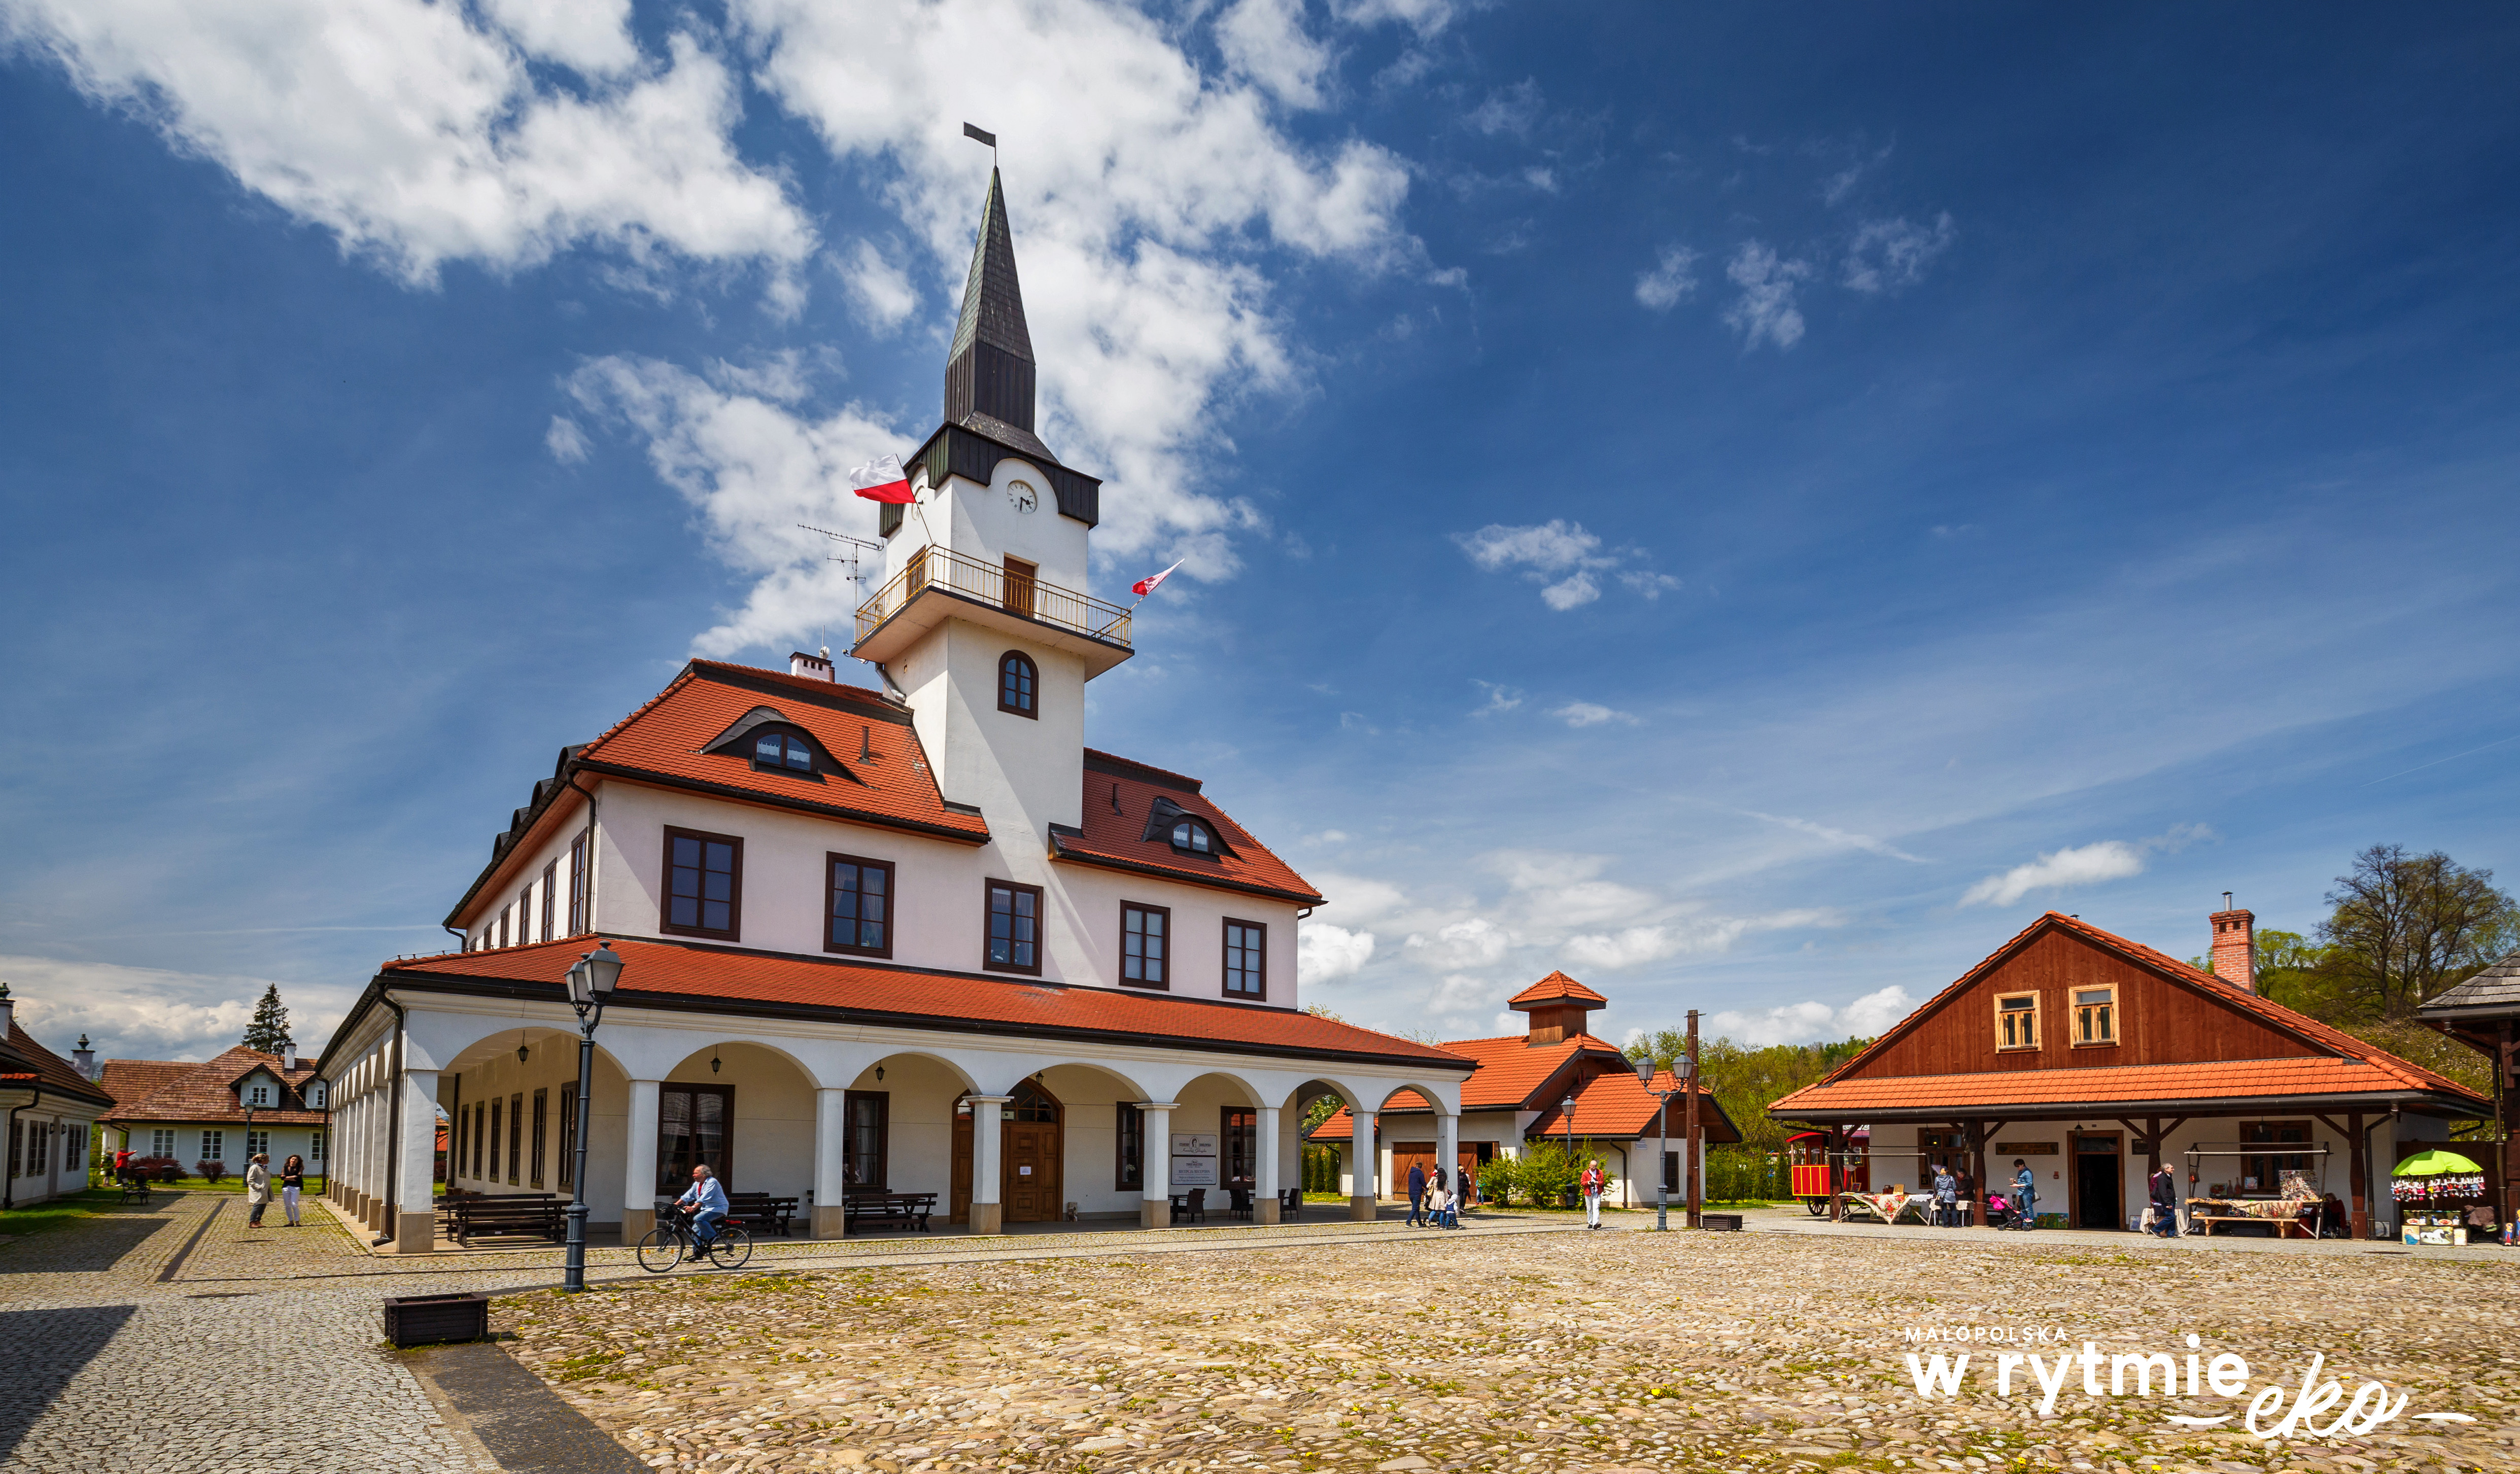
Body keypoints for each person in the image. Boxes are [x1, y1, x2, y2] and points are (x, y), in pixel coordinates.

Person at [676, 1164, 730, 1255]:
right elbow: (688, 1196)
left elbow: (705, 1197)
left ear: (704, 1175)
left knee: (698, 1219)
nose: (693, 1175)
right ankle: (698, 1253)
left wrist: (694, 1207)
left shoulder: (712, 1182)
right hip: (707, 1209)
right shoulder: (697, 1184)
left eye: (696, 1173)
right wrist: (675, 1204)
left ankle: (713, 1237)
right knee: (695, 1230)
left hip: (718, 1208)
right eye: (694, 1173)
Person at [2149, 1165, 2181, 1237]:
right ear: (2166, 1169)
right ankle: (2156, 1229)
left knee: (2173, 1217)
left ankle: (2171, 1234)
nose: (2173, 1169)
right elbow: (2163, 1191)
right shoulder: (2162, 1178)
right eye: (2171, 1168)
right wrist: (2168, 1203)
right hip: (2167, 1201)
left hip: (2171, 1199)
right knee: (2171, 1217)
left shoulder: (2168, 1177)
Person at [244, 1153, 272, 1227]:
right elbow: (250, 1180)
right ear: (262, 1160)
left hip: (265, 1191)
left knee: (263, 1206)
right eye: (267, 1159)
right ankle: (252, 1222)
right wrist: (259, 1187)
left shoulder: (265, 1168)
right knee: (257, 1206)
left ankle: (258, 1221)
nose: (268, 1161)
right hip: (258, 1191)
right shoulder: (255, 1168)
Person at [280, 1153, 306, 1227]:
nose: (294, 1161)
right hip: (286, 1187)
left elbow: (298, 1177)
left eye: (295, 1160)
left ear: (298, 1161)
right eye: (292, 1159)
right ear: (290, 1160)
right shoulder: (285, 1168)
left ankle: (297, 1221)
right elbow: (282, 1178)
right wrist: (293, 1177)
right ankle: (291, 1221)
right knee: (287, 1205)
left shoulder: (299, 1168)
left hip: (295, 1187)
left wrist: (287, 1178)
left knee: (294, 1204)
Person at [2011, 1159, 2036, 1230]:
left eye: (2018, 1166)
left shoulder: (2028, 1172)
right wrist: (2016, 1182)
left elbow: (2030, 1183)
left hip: (2027, 1193)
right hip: (2021, 1192)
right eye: (2016, 1167)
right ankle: (2025, 1223)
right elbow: (2022, 1182)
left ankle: (2030, 1223)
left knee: (2028, 1208)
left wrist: (2018, 1186)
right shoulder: (2020, 1172)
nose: (2018, 1168)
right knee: (2023, 1209)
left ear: (2023, 1165)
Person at [1580, 1159, 1605, 1230]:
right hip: (1588, 1192)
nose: (1594, 1168)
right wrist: (1587, 1183)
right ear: (1590, 1166)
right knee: (1589, 1209)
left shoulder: (1600, 1172)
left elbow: (1602, 1182)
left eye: (1595, 1167)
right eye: (1592, 1166)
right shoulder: (1585, 1173)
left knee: (1596, 1207)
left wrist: (1598, 1183)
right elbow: (1582, 1182)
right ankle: (1590, 1223)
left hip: (1597, 1192)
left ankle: (1596, 1223)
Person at [1931, 1163, 1958, 1228]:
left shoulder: (1937, 1179)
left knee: (1944, 1210)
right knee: (1953, 1209)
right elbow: (1954, 1187)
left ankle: (1946, 1224)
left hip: (1941, 1194)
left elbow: (1936, 1187)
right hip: (1950, 1194)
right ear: (1947, 1171)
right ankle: (1955, 1224)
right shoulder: (1951, 1178)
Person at [1406, 1159, 1428, 1228]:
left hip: (1411, 1192)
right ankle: (1408, 1222)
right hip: (1417, 1193)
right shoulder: (1420, 1173)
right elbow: (1423, 1183)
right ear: (1421, 1167)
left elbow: (1412, 1183)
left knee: (1416, 1208)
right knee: (1415, 1208)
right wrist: (1427, 1188)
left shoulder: (1411, 1173)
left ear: (1416, 1166)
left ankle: (1420, 1223)